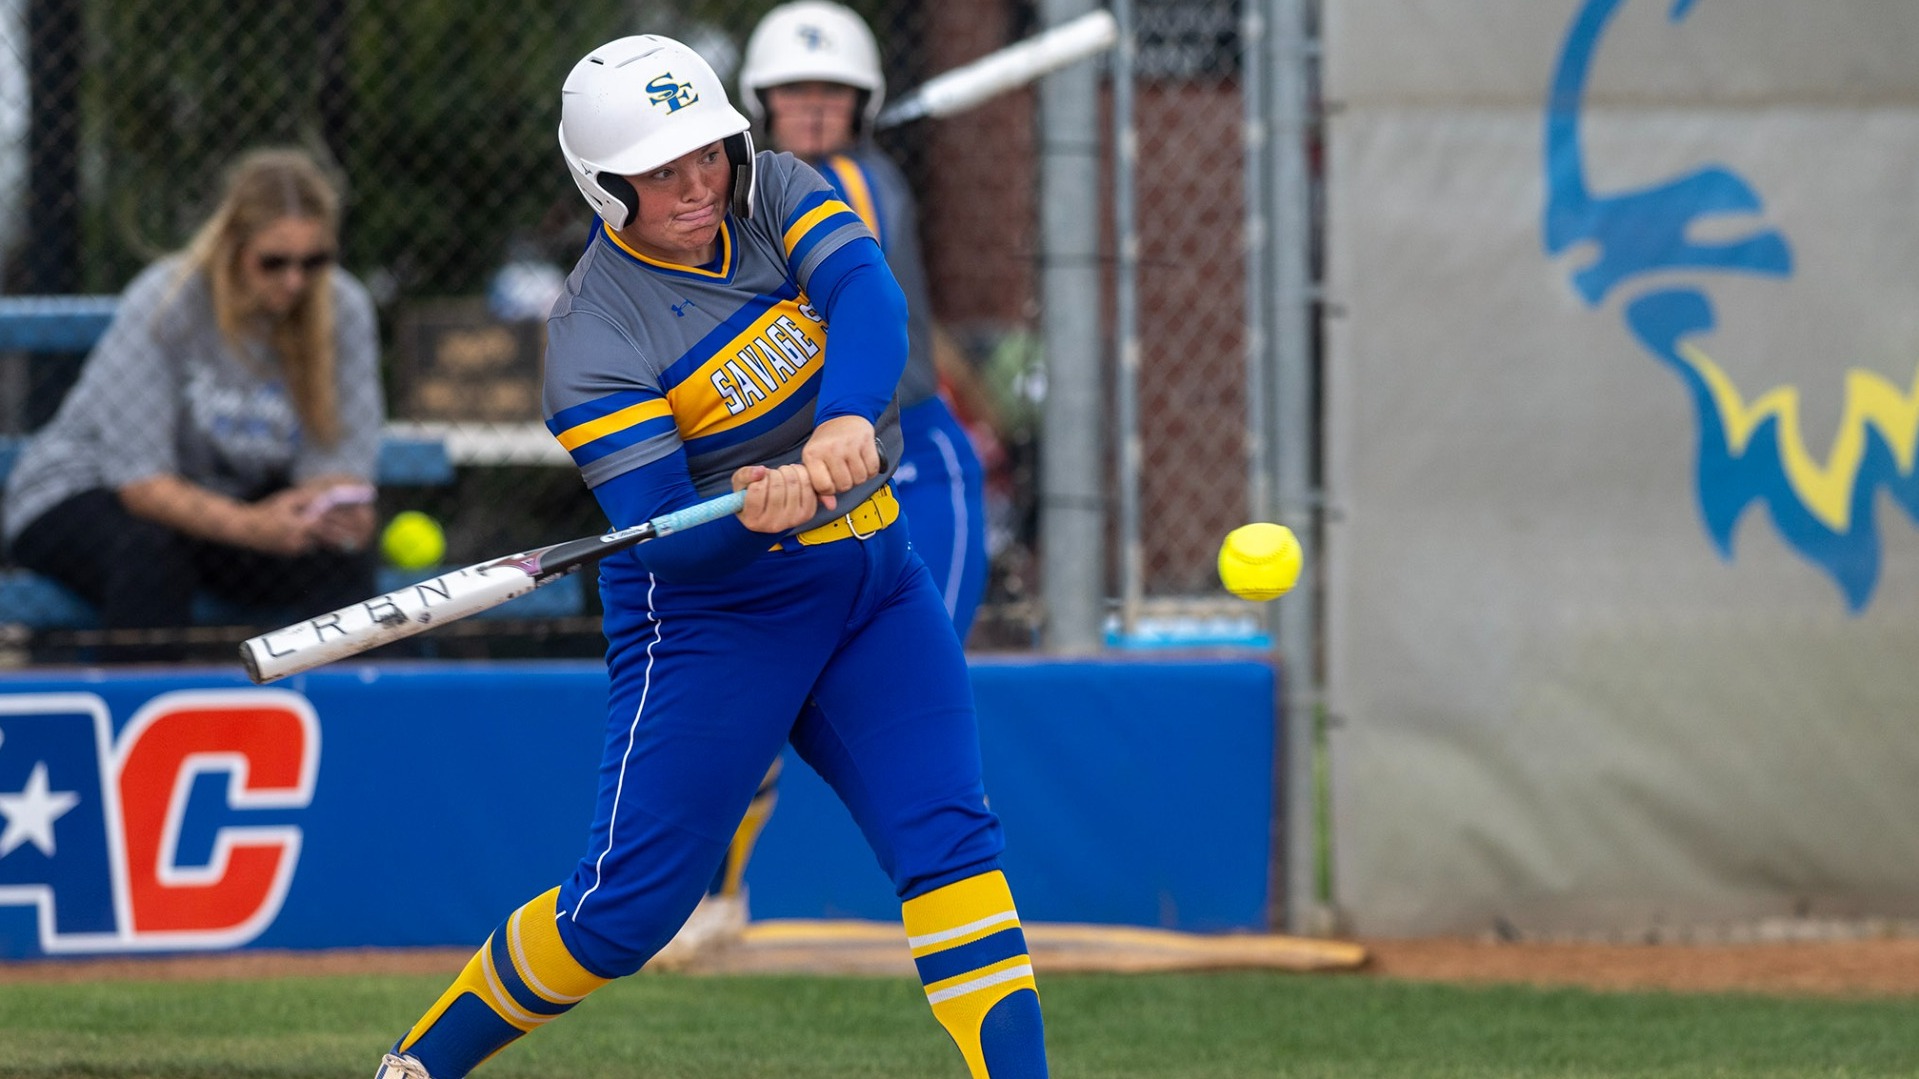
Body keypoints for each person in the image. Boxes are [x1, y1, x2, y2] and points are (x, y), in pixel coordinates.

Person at [372, 35, 1049, 1079]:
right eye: (659, 170)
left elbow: (870, 301)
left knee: (951, 843)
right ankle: (418, 1063)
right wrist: (751, 511)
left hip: (874, 582)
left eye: (705, 154)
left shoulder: (775, 184)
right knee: (621, 915)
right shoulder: (592, 339)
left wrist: (838, 425)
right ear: (603, 187)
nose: (696, 185)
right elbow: (665, 536)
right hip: (716, 620)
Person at [653, 0, 997, 966]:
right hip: (803, 465)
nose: (810, 107)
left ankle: (951, 895)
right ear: (759, 102)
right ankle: (715, 899)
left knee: (915, 689)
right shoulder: (741, 198)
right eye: (792, 92)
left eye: (830, 92)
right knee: (766, 678)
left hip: (915, 460)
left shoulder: (855, 181)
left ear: (861, 103)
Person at [1, 148, 382, 661]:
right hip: (81, 494)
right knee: (151, 555)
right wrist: (254, 526)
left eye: (313, 261)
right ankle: (137, 721)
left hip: (217, 513)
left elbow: (333, 467)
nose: (295, 280)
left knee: (341, 559)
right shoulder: (167, 301)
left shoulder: (343, 307)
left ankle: (344, 722)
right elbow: (141, 483)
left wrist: (330, 512)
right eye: (274, 261)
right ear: (233, 246)